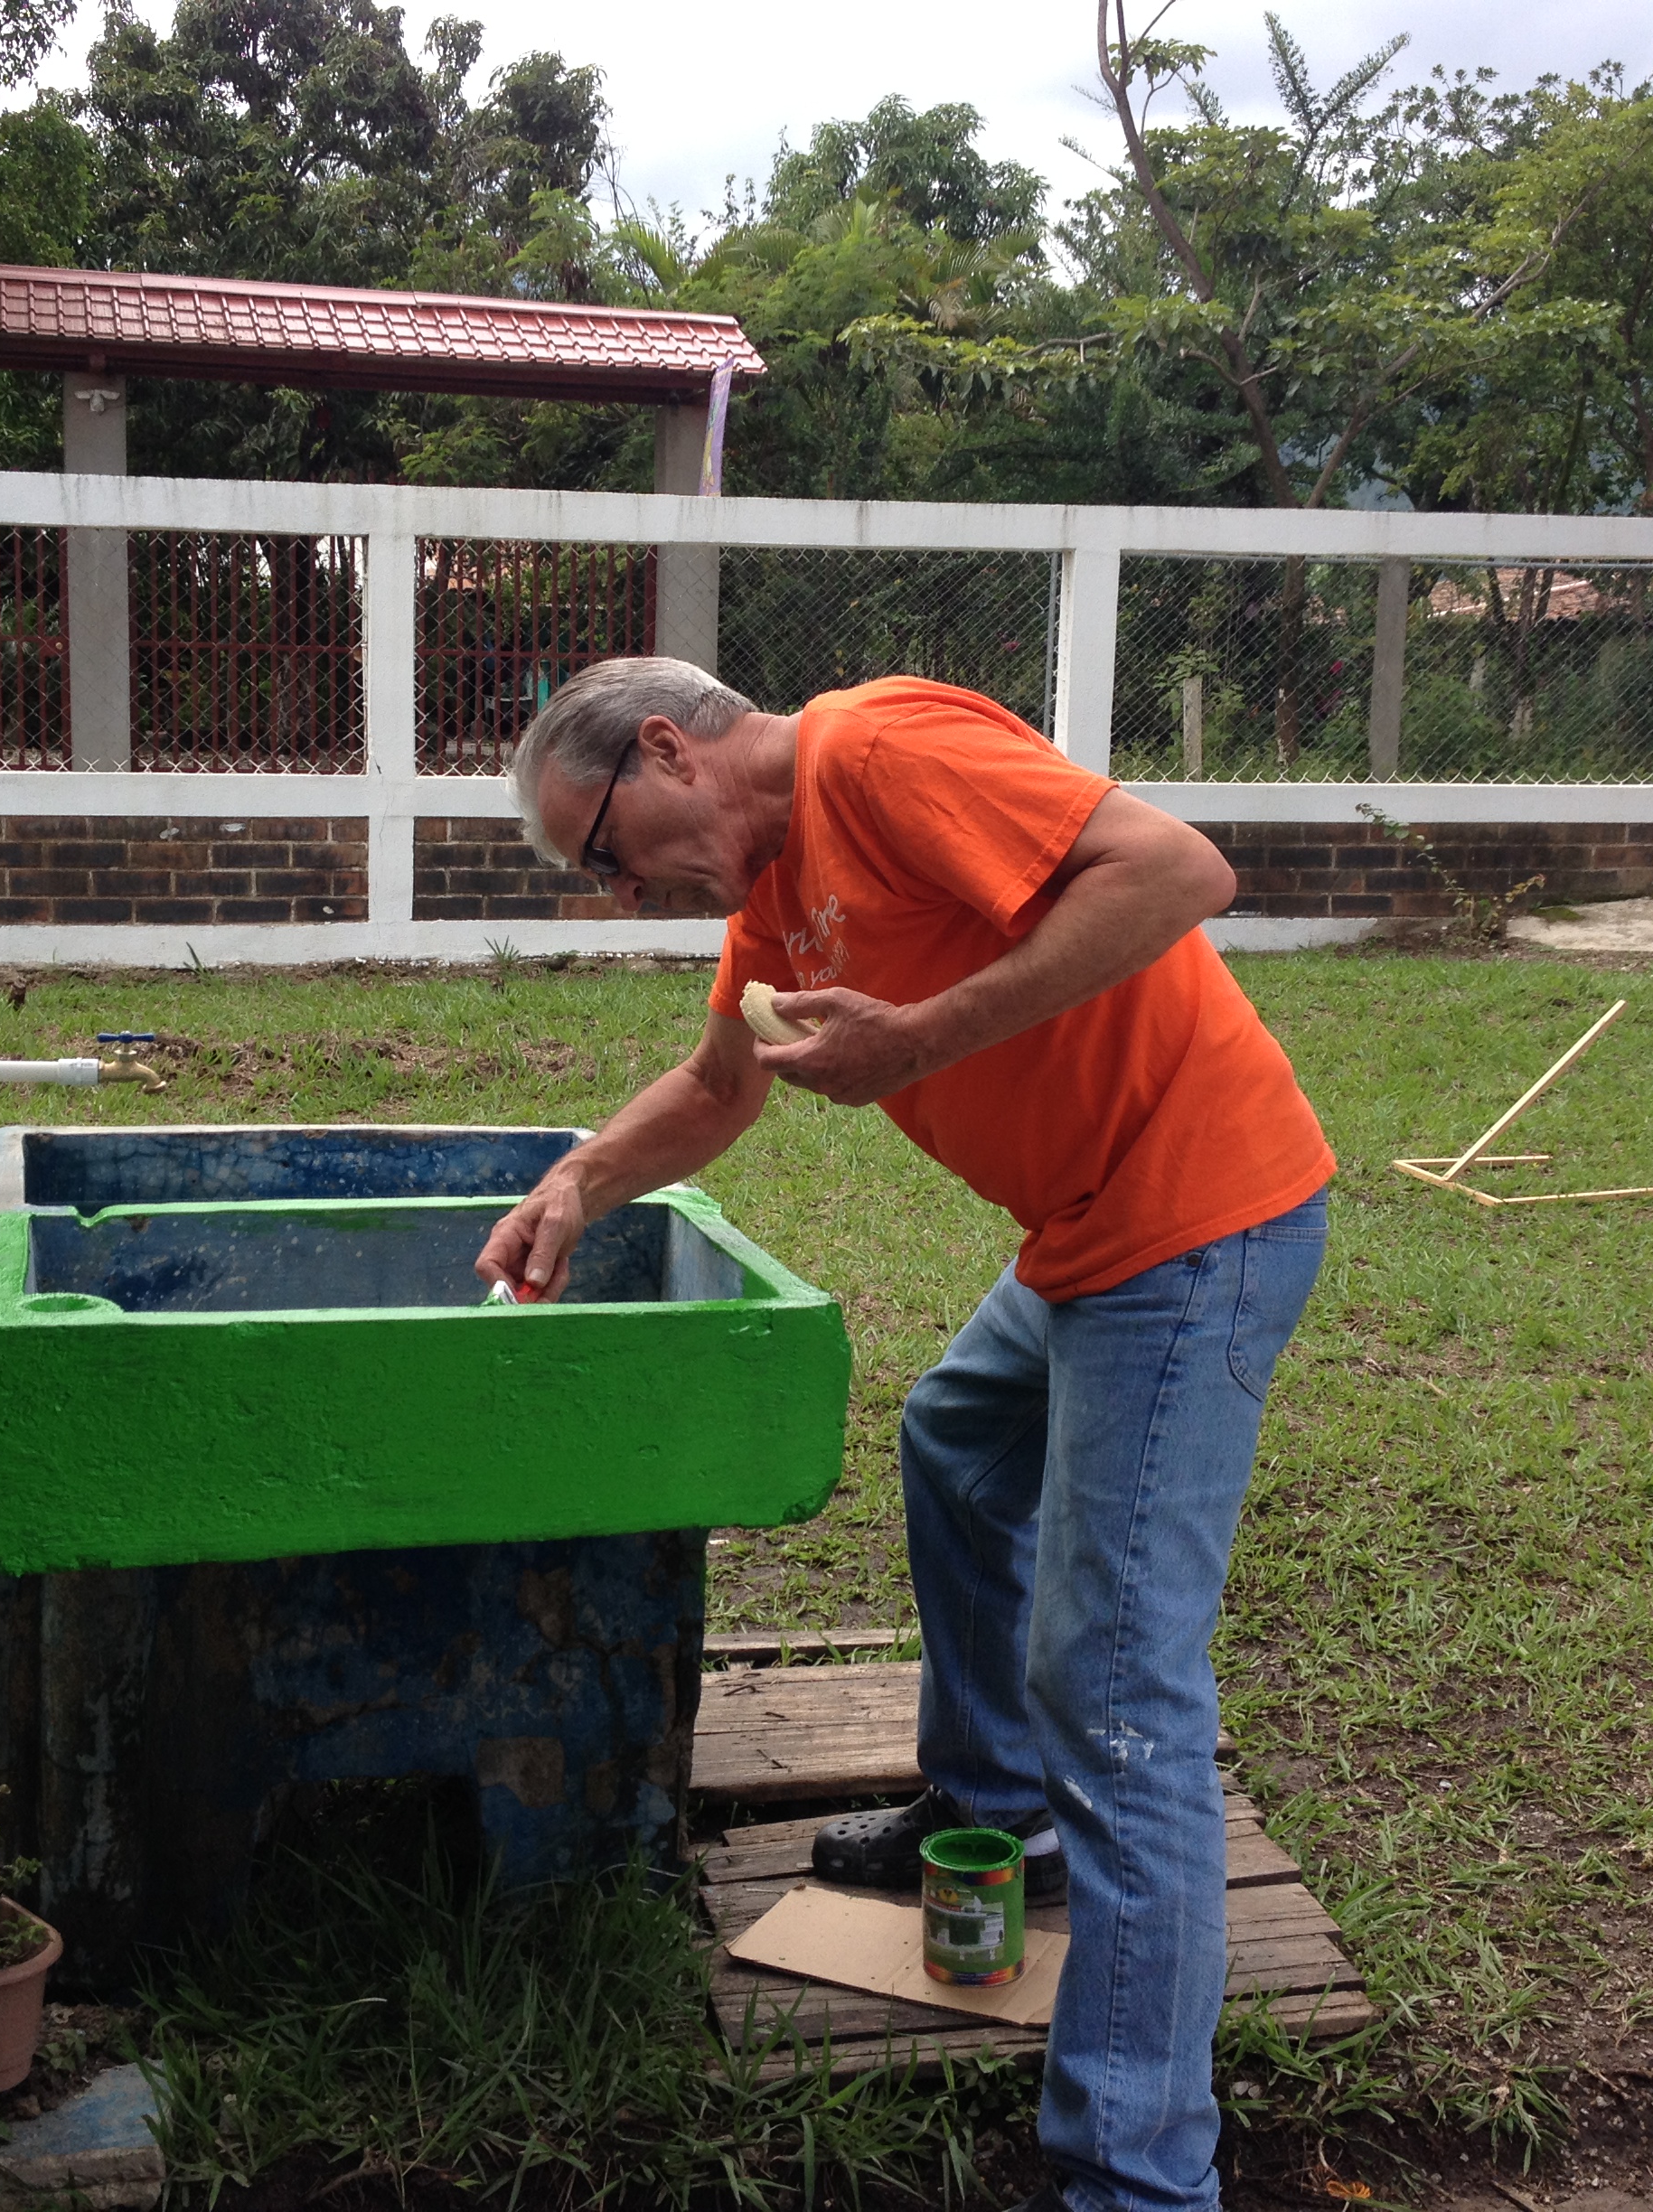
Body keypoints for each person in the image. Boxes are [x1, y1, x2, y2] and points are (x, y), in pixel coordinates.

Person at [474, 657, 1334, 2212]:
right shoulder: (775, 891)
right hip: (1087, 1237)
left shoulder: (873, 751)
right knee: (956, 1441)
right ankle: (998, 1807)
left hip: (1196, 1223)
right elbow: (720, 1086)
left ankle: (1138, 2175)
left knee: (1115, 1689)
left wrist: (922, 1037)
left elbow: (1177, 872)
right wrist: (577, 1185)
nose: (620, 893)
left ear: (668, 748)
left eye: (605, 851)